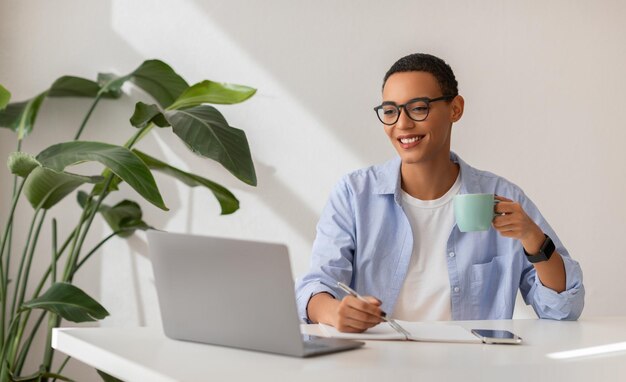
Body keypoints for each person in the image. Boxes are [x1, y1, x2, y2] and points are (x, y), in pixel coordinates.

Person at [295, 53, 584, 333]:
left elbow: (562, 309)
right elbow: (316, 286)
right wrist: (335, 312)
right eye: (390, 111)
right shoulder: (354, 195)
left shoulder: (502, 197)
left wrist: (534, 239)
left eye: (419, 108)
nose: (402, 124)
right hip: (376, 364)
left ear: (455, 109)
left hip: (471, 366)